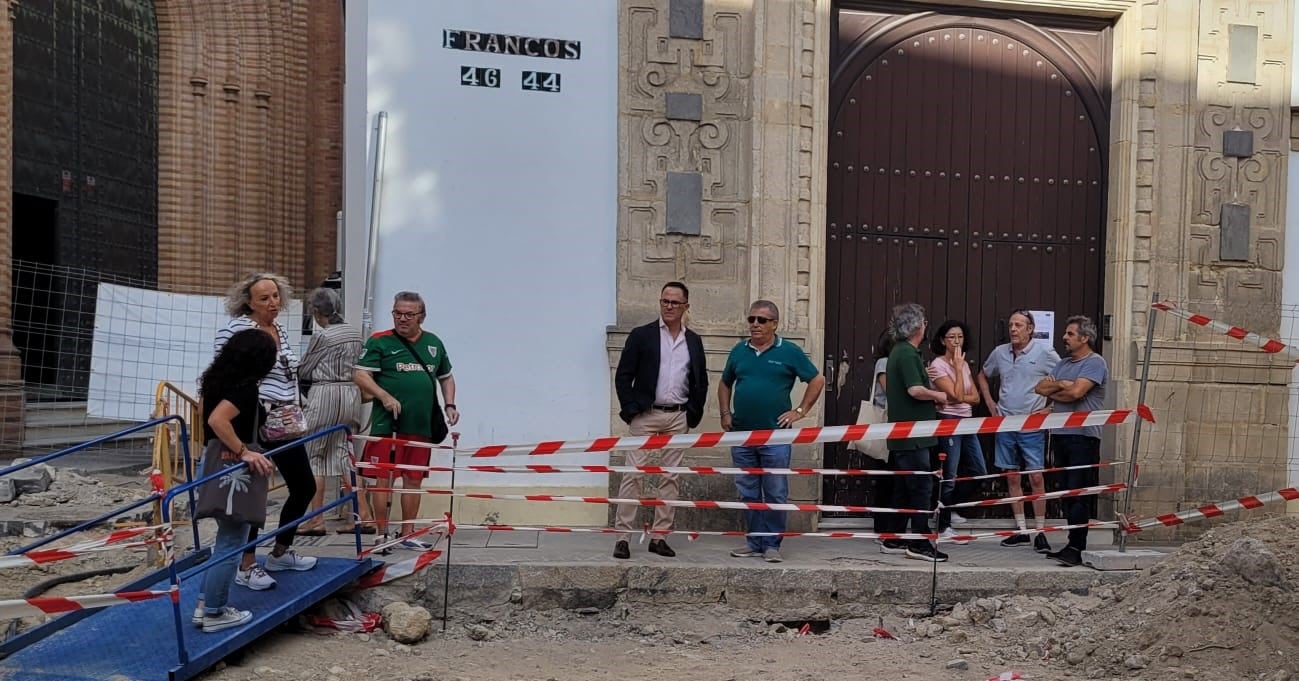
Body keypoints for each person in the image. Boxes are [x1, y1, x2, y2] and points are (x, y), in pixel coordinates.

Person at [215, 273, 318, 591]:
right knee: (254, 496)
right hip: (253, 418)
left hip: (285, 419)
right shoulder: (236, 330)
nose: (273, 303)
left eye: (275, 296)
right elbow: (223, 373)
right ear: (248, 302)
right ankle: (246, 566)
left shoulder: (281, 330)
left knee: (304, 486)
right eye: (264, 298)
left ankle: (280, 551)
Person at [719, 300, 824, 563]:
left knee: (775, 490)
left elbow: (817, 379)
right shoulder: (739, 351)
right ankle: (754, 542)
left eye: (762, 320)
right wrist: (724, 413)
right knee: (748, 490)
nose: (755, 324)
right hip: (742, 434)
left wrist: (800, 411)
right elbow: (724, 383)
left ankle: (772, 544)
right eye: (752, 319)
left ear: (774, 324)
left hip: (776, 435)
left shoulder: (789, 351)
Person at [353, 291, 459, 549]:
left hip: (420, 425)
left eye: (409, 314)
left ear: (421, 317)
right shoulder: (380, 341)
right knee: (383, 479)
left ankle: (408, 533)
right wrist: (384, 396)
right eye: (397, 313)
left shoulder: (433, 343)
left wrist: (450, 405)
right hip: (388, 426)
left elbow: (446, 376)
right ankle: (381, 533)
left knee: (413, 480)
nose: (402, 319)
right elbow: (360, 374)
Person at [611, 282, 708, 559]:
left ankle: (659, 537)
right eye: (665, 301)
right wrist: (630, 409)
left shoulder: (694, 340)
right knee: (633, 476)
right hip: (645, 414)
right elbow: (623, 375)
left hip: (677, 416)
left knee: (670, 478)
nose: (668, 306)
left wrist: (693, 413)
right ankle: (623, 537)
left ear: (685, 306)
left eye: (675, 302)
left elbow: (700, 379)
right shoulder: (643, 335)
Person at [195, 328, 278, 632]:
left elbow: (206, 417)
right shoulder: (246, 388)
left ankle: (204, 604)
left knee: (223, 540)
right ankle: (215, 612)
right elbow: (218, 420)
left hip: (213, 460)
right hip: (233, 468)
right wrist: (245, 451)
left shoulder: (215, 380)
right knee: (232, 542)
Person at [975, 309, 1060, 553]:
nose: (1013, 329)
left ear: (1030, 329)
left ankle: (1040, 531)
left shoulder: (1045, 353)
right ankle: (1022, 530)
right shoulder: (1000, 353)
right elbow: (983, 374)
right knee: (1012, 476)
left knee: (1035, 476)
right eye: (1011, 324)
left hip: (1031, 425)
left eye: (1019, 325)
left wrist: (1050, 409)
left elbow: (1065, 379)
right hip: (1005, 423)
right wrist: (990, 402)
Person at [1034, 316, 1108, 567]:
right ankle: (1070, 543)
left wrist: (1061, 388)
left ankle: (1077, 546)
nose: (1064, 338)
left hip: (1083, 437)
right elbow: (1040, 389)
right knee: (1066, 493)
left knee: (1078, 494)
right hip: (1060, 434)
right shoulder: (1064, 364)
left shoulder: (1095, 363)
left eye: (1070, 334)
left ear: (1084, 338)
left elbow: (1077, 393)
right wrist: (1063, 385)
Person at [879, 303, 948, 562]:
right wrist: (938, 395)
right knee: (920, 487)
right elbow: (914, 390)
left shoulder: (899, 351)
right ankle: (919, 542)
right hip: (915, 435)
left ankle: (894, 536)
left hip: (904, 433)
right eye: (924, 321)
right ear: (918, 326)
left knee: (903, 488)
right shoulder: (908, 353)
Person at [297, 288, 366, 535]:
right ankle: (361, 516)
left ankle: (316, 519)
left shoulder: (323, 336)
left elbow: (304, 369)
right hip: (350, 394)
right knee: (345, 455)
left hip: (325, 393)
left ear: (316, 311)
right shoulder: (354, 334)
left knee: (313, 456)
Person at [928, 320, 986, 544]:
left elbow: (974, 398)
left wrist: (960, 390)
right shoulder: (937, 365)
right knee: (948, 475)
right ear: (942, 340)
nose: (956, 341)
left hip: (967, 421)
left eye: (960, 337)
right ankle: (943, 526)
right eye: (951, 337)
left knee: (979, 470)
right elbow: (959, 395)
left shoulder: (964, 364)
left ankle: (948, 508)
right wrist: (959, 370)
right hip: (949, 421)